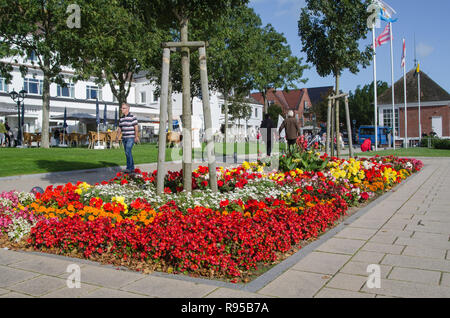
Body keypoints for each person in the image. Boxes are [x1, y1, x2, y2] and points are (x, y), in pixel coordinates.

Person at [116, 103, 139, 173]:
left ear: (128, 109)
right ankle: (130, 168)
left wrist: (136, 136)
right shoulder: (121, 118)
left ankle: (130, 168)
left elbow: (136, 128)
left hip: (131, 137)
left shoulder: (132, 117)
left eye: (123, 108)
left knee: (128, 151)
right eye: (121, 108)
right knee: (127, 153)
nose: (121, 109)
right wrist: (117, 136)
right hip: (124, 138)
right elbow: (120, 128)